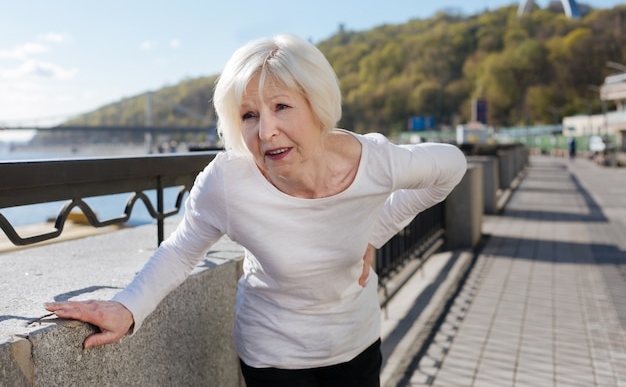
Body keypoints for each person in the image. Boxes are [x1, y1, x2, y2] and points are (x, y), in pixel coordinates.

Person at [45, 34, 467, 387]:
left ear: (318, 106)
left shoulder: (374, 161)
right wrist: (127, 307)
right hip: (273, 358)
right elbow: (179, 251)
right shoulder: (228, 182)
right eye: (249, 115)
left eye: (282, 106)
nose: (266, 132)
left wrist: (375, 233)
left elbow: (451, 167)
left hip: (356, 343)